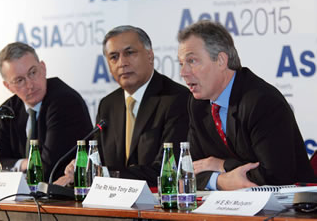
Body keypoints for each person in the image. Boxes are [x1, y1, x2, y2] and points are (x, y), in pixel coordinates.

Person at [177, 20, 316, 191]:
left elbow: (276, 177)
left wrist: (220, 165)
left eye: (192, 61)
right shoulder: (197, 104)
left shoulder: (262, 102)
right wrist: (222, 181)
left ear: (221, 60)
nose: (183, 72)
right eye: (181, 63)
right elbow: (189, 172)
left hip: (288, 210)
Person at [55, 25, 190, 187]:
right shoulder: (108, 105)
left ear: (150, 55)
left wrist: (102, 173)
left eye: (130, 53)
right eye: (114, 57)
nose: (122, 63)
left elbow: (167, 170)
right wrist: (80, 169)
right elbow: (98, 160)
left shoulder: (176, 99)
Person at [0, 42, 93, 181]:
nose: (30, 85)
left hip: (66, 197)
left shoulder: (65, 101)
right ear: (8, 86)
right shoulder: (9, 110)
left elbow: (46, 168)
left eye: (33, 73)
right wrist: (22, 164)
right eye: (19, 80)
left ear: (43, 68)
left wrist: (15, 168)